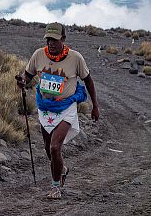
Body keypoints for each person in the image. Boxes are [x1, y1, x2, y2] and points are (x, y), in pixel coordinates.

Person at [17, 22, 99, 199]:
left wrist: (95, 106)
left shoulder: (76, 58)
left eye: (54, 40)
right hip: (45, 108)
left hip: (66, 108)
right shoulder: (38, 55)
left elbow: (89, 81)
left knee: (55, 147)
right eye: (48, 40)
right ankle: (62, 169)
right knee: (48, 148)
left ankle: (56, 187)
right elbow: (28, 75)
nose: (51, 43)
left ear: (63, 39)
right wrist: (23, 81)